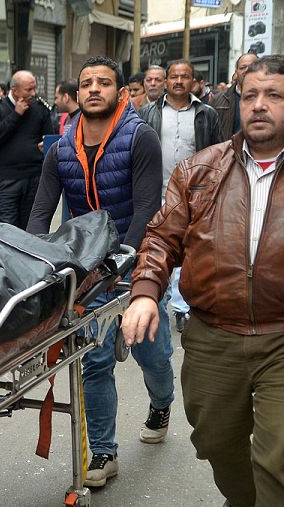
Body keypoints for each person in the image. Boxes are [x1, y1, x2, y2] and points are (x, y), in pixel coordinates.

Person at [122, 55, 284, 507]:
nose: (259, 105)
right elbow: (159, 237)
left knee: (279, 461)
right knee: (215, 442)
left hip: (281, 336)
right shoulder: (200, 171)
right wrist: (146, 293)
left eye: (274, 95)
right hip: (213, 335)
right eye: (251, 95)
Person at [27, 56, 172, 489]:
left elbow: (147, 207)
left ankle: (161, 403)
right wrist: (31, 254)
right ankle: (104, 453)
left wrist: (124, 261)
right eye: (87, 82)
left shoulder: (140, 138)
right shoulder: (60, 149)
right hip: (87, 273)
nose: (93, 89)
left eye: (103, 83)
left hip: (140, 264)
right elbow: (41, 210)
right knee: (93, 362)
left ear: (120, 93)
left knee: (153, 355)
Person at [139, 59, 223, 333]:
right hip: (156, 191)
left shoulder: (206, 114)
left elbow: (219, 154)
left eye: (183, 76)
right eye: (173, 76)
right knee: (159, 247)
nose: (178, 81)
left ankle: (182, 307)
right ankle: (157, 299)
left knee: (190, 250)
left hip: (195, 196)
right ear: (165, 81)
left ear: (193, 81)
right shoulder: (148, 112)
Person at [0, 69, 54, 228]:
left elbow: (49, 137)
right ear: (14, 90)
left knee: (31, 228)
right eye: (28, 89)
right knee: (7, 228)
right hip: (6, 179)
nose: (33, 93)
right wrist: (16, 115)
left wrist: (45, 144)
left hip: (33, 177)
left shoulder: (40, 108)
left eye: (34, 88)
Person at [211, 52, 261, 139]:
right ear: (236, 72)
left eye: (252, 66)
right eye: (242, 67)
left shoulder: (270, 99)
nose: (246, 70)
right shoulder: (217, 100)